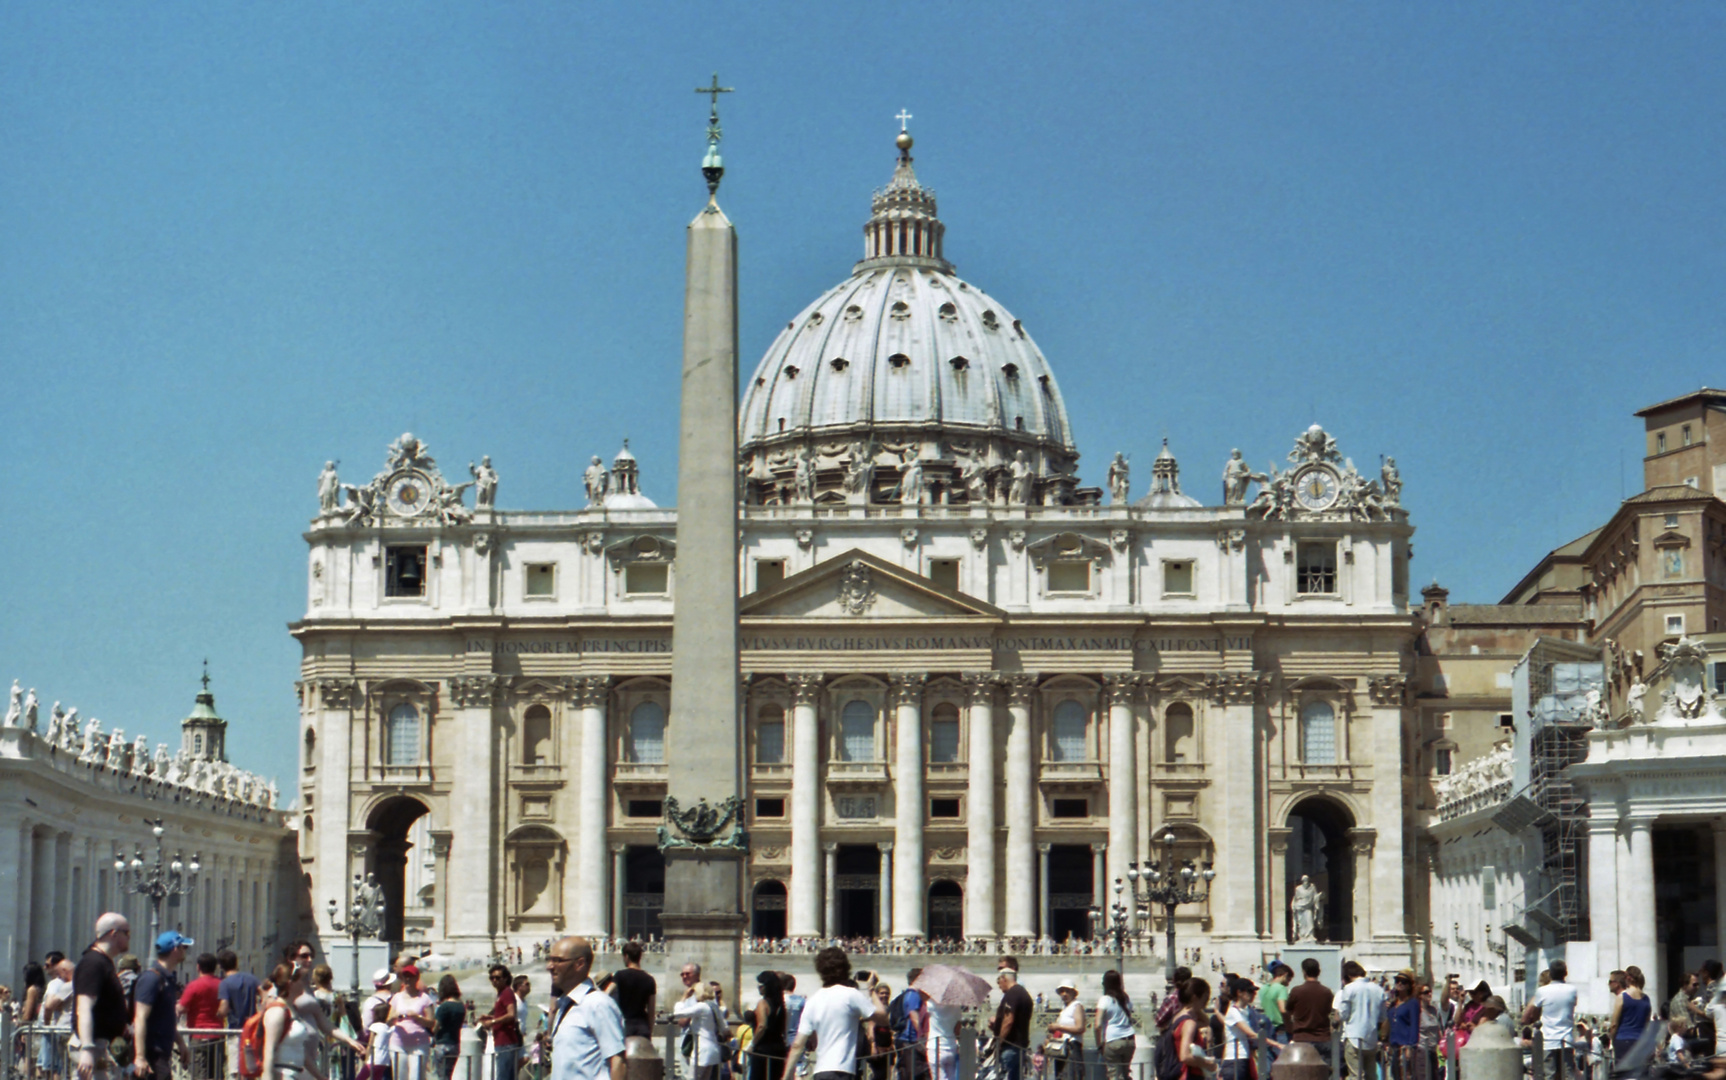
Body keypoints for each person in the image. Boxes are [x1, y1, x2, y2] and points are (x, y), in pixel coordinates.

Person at [783, 947, 887, 1080]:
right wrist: (871, 989)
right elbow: (883, 1017)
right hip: (843, 1070)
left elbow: (797, 1044)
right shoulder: (851, 995)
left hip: (820, 1071)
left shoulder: (813, 1000)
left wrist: (786, 1076)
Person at [546, 936, 626, 1080]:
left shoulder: (598, 1004)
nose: (550, 967)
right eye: (550, 960)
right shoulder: (565, 1004)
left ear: (579, 964)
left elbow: (618, 1062)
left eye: (557, 960)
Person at [73, 914, 133, 1080]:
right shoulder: (93, 963)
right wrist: (87, 1048)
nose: (129, 938)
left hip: (103, 1045)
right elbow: (84, 1008)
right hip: (95, 1046)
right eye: (127, 933)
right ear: (114, 934)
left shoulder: (104, 962)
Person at [133, 931, 193, 1080]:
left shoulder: (167, 979)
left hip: (161, 1053)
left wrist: (180, 1043)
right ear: (175, 949)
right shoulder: (152, 978)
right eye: (183, 947)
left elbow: (166, 1018)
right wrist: (140, 1056)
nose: (185, 951)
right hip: (152, 1053)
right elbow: (140, 1017)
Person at [1521, 960, 1579, 1080]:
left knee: (1549, 1075)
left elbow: (1535, 1013)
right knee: (1568, 1074)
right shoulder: (1572, 990)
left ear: (1551, 974)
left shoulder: (1542, 991)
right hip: (1566, 1038)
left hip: (1548, 1039)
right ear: (1565, 973)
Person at [261, 962, 320, 1080]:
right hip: (283, 1074)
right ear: (290, 983)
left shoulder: (291, 1009)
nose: (303, 983)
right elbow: (268, 1050)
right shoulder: (277, 1012)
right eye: (300, 980)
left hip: (296, 1073)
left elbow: (301, 1051)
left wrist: (320, 1077)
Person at [673, 966, 728, 1080]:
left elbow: (680, 1017)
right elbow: (724, 1027)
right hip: (712, 1050)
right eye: (682, 974)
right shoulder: (713, 1005)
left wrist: (684, 997)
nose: (684, 976)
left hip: (698, 1049)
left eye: (688, 974)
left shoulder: (700, 1005)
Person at [1336, 960, 1386, 1080]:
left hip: (1353, 1036)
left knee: (1355, 1075)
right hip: (1371, 1038)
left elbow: (1343, 1015)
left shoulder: (1349, 989)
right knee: (1371, 1075)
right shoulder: (1379, 990)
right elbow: (1382, 1017)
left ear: (1347, 975)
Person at [180, 952, 226, 1080]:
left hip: (198, 1035)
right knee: (217, 1073)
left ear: (198, 967)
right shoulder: (222, 984)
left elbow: (182, 1007)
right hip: (218, 1035)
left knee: (200, 1073)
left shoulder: (193, 986)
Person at [475, 965, 523, 1080]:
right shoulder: (501, 993)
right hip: (502, 1041)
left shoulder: (506, 992)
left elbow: (511, 1014)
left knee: (503, 1076)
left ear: (505, 978)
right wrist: (490, 1016)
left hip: (506, 1042)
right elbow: (504, 1014)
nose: (494, 980)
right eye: (492, 978)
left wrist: (492, 1021)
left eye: (497, 977)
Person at [389, 966, 437, 1079]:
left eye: (410, 977)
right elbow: (388, 1021)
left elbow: (431, 1023)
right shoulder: (396, 997)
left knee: (416, 1076)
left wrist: (417, 1018)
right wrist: (394, 1017)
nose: (407, 980)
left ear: (417, 978)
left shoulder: (425, 998)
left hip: (419, 1044)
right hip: (398, 1042)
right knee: (399, 1076)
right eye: (405, 977)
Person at [1285, 959, 1333, 1068]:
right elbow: (1329, 1011)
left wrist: (1290, 1028)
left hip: (1301, 1037)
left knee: (1302, 1073)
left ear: (1304, 972)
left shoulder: (1296, 991)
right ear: (1319, 972)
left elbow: (1288, 1011)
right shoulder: (1326, 992)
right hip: (1323, 1037)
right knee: (1323, 1073)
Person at [1220, 978, 1273, 1080]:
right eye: (1250, 991)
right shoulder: (1233, 1011)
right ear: (1239, 992)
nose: (1253, 994)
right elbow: (1251, 1034)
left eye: (1254, 991)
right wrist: (1276, 1044)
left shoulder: (1246, 1012)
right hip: (1235, 1059)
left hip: (1244, 1058)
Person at [990, 965, 1034, 1080]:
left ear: (1004, 979)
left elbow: (1009, 1020)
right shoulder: (1024, 993)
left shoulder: (1012, 994)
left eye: (998, 981)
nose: (999, 985)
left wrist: (999, 1041)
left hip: (1010, 1046)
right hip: (1020, 1047)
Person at [609, 943, 656, 1040]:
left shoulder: (619, 976)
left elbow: (607, 994)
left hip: (624, 1025)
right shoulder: (649, 979)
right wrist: (650, 1031)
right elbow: (651, 1010)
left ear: (626, 956)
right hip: (642, 1026)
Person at [1094, 971, 1136, 1080]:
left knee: (1114, 1075)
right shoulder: (1125, 999)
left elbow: (1097, 1025)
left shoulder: (1105, 1000)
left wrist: (1099, 1044)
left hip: (1113, 1040)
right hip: (1130, 1040)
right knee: (1125, 1073)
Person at [1172, 978, 1216, 1080]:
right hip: (1191, 1074)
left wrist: (1195, 1007)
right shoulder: (1189, 1023)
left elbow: (1206, 1022)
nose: (1207, 1001)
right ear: (1195, 997)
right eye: (1205, 997)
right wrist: (1207, 1063)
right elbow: (1185, 1056)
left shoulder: (1177, 1018)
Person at [1609, 966, 1653, 1063]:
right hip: (1640, 1041)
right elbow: (1647, 1023)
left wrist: (1612, 1039)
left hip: (1623, 1039)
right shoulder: (1646, 999)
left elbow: (1614, 1024)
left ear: (1628, 978)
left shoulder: (1622, 997)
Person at [751, 972, 790, 1080]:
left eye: (761, 986)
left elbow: (762, 1026)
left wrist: (752, 1044)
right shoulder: (781, 1005)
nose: (759, 988)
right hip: (778, 1048)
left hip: (763, 1049)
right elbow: (784, 1027)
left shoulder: (762, 1003)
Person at [889, 968, 926, 1080]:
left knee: (907, 1071)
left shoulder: (906, 994)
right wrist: (922, 1036)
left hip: (904, 1039)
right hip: (910, 1040)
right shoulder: (914, 995)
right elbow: (914, 1017)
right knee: (913, 1073)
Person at [1045, 980, 1085, 1080]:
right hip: (1061, 1049)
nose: (1064, 994)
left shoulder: (1077, 1006)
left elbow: (1080, 1027)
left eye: (1067, 991)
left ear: (1073, 993)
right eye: (1062, 991)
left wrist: (1059, 1027)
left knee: (1072, 1075)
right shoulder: (1064, 1009)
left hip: (1071, 1046)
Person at [218, 949, 263, 1031]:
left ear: (220, 966)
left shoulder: (225, 983)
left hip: (236, 1028)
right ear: (236, 963)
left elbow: (224, 1009)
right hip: (253, 1026)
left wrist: (218, 1014)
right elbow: (263, 991)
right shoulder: (251, 978)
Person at [925, 985, 962, 1080]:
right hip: (951, 1045)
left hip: (935, 1046)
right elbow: (957, 1030)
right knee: (951, 1077)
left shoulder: (931, 1004)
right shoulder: (956, 1007)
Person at [433, 976, 465, 1080]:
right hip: (455, 1044)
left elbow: (435, 1027)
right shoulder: (461, 1006)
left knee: (440, 1075)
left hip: (442, 1044)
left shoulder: (444, 1007)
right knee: (449, 1075)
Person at [1257, 965, 1291, 1048]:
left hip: (1266, 1028)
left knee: (1267, 1058)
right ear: (1285, 975)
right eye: (1289, 980)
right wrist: (1290, 1025)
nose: (1288, 983)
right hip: (1280, 1029)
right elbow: (1282, 1009)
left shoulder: (1263, 989)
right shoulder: (1281, 988)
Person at [1157, 967, 1194, 1033]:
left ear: (1174, 980)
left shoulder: (1171, 999)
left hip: (1173, 1034)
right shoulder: (1194, 998)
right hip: (1190, 1031)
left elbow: (1159, 1020)